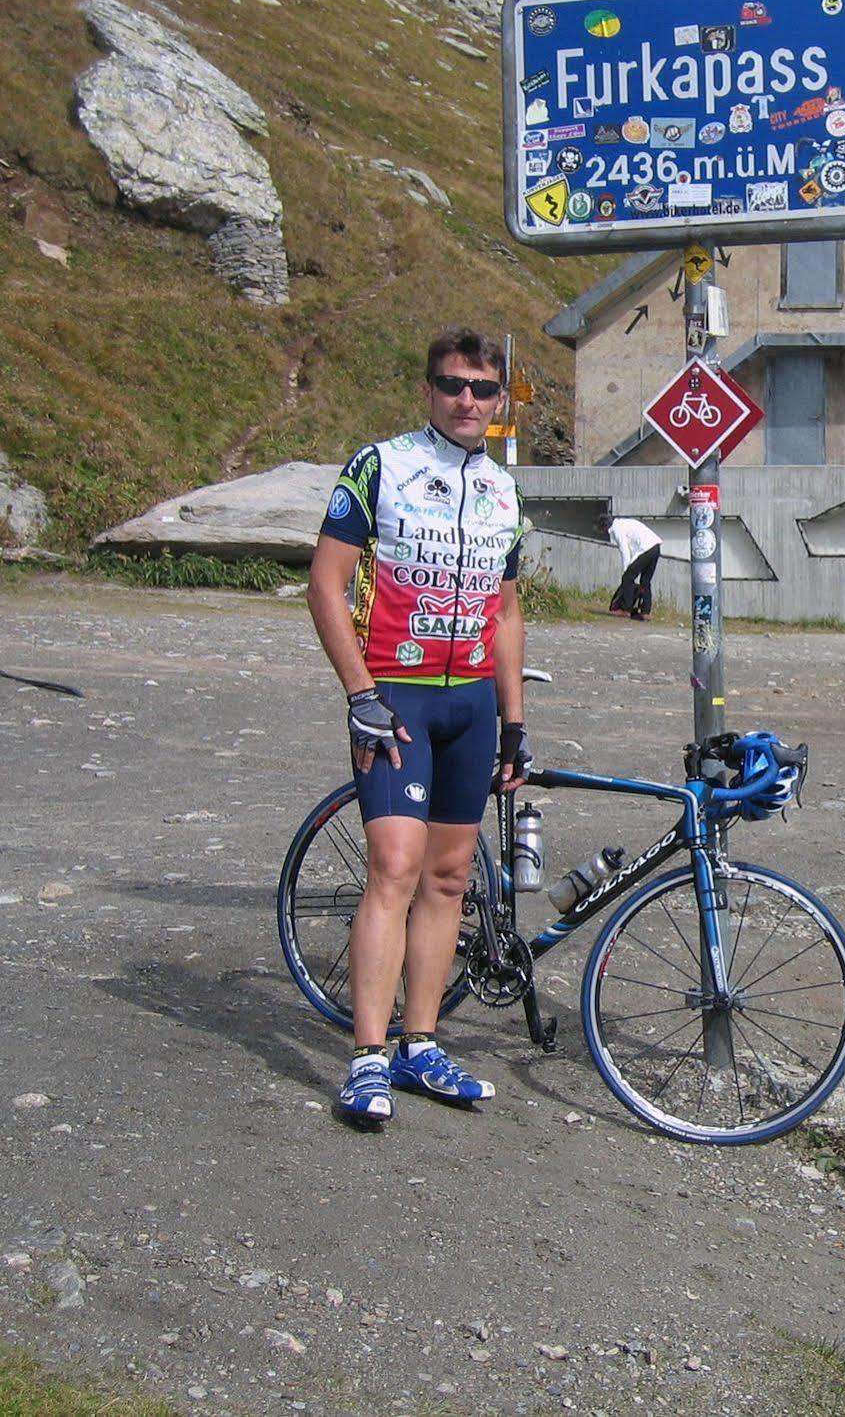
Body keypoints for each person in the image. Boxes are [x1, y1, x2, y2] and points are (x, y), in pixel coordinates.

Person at [307, 329, 532, 1126]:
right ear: (428, 391)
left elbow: (505, 611)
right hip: (395, 692)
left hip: (469, 700)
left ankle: (421, 1043)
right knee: (393, 868)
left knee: (446, 879)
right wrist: (358, 689)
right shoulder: (380, 465)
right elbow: (326, 584)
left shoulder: (504, 490)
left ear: (500, 398)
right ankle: (367, 1057)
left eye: (480, 388)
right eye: (450, 385)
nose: (464, 400)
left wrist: (513, 722)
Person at [602, 509, 661, 620]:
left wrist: (626, 569)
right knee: (645, 581)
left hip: (645, 549)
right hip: (655, 547)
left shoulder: (616, 529)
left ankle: (626, 609)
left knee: (627, 578)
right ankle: (645, 612)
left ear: (606, 527)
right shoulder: (624, 523)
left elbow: (624, 549)